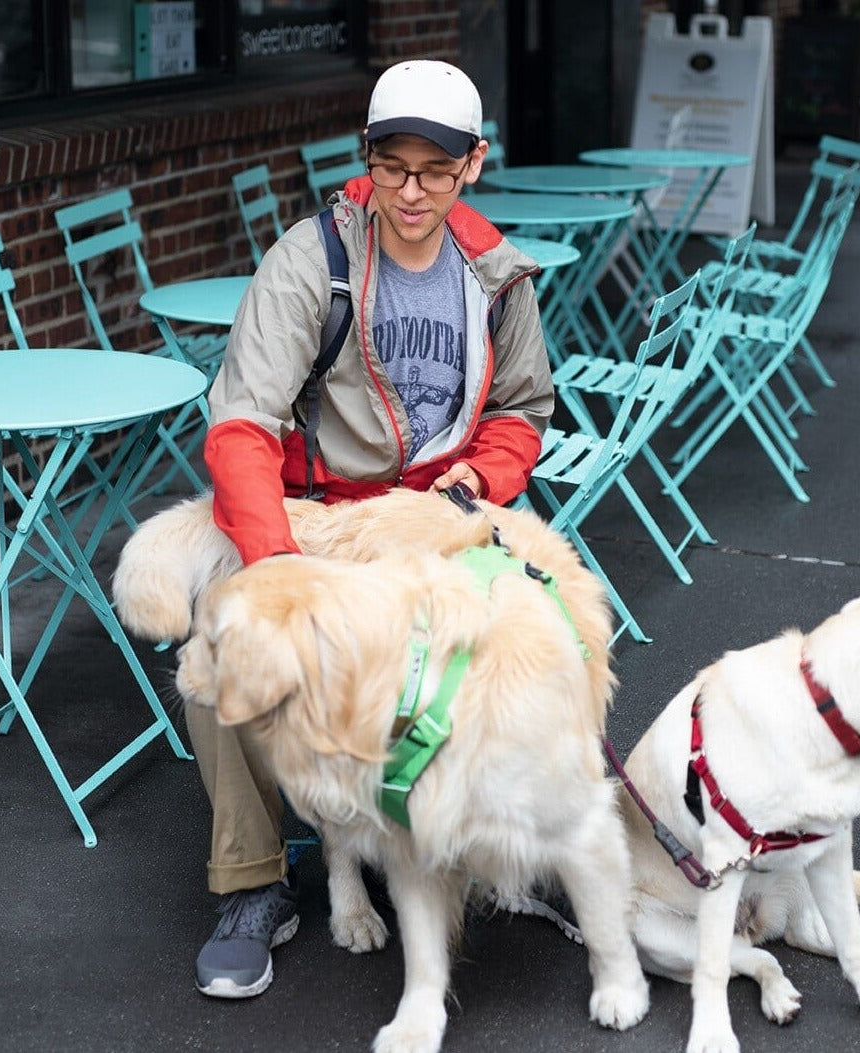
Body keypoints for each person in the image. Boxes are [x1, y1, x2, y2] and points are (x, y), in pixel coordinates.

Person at [185, 59, 554, 999]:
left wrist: (484, 474)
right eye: (392, 167)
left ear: (474, 163)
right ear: (366, 157)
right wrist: (274, 566)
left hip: (435, 516)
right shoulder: (311, 261)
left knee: (541, 631)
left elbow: (521, 410)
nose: (412, 191)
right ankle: (253, 881)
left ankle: (466, 838)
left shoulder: (497, 274)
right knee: (225, 633)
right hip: (318, 512)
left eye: (435, 169)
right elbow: (241, 425)